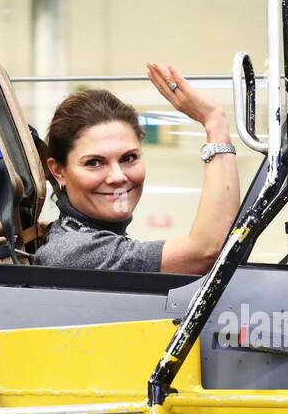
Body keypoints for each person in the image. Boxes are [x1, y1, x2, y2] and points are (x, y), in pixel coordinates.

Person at [33, 62, 239, 275]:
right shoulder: (74, 252)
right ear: (58, 171)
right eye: (94, 163)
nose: (118, 176)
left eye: (128, 158)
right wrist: (215, 121)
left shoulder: (88, 237)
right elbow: (206, 253)